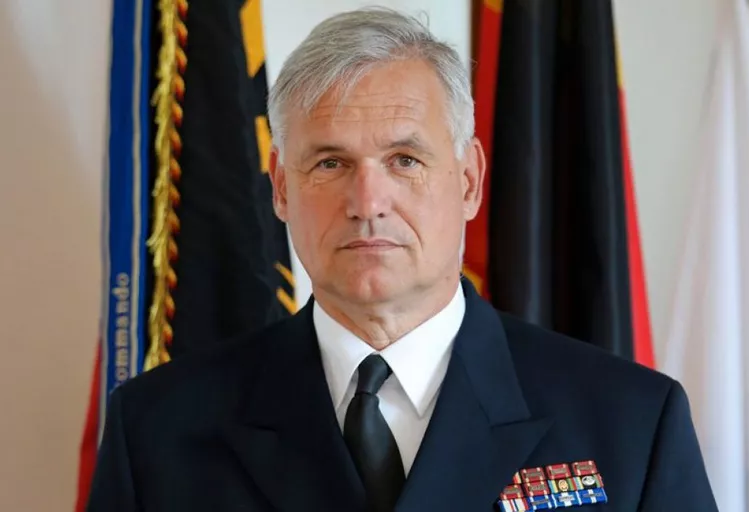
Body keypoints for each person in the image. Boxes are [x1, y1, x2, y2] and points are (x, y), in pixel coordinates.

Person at [88, 7, 717, 512]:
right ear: (279, 188)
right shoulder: (157, 430)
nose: (367, 203)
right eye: (330, 163)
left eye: (405, 160)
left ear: (468, 181)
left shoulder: (630, 424)